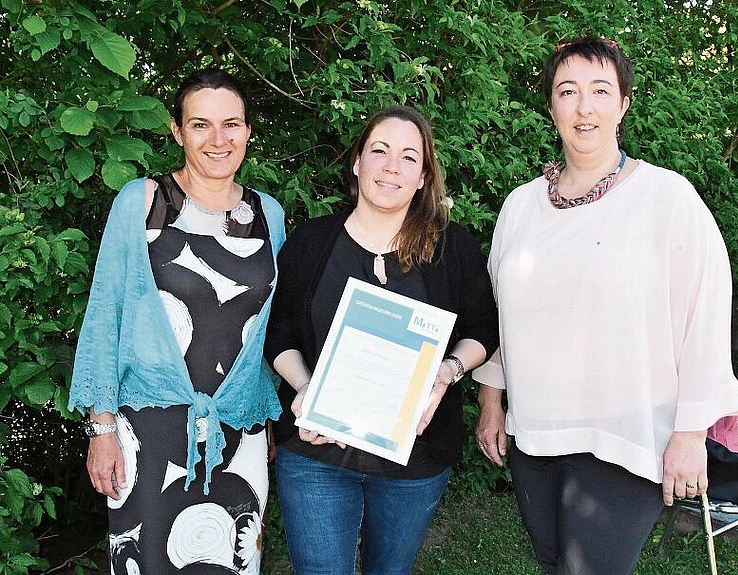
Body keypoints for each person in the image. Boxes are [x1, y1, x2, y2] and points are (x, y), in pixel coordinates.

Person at [473, 37, 738, 574]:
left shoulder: (668, 199)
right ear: (551, 107)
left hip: (627, 436)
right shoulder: (520, 207)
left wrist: (690, 433)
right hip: (537, 434)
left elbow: (705, 316)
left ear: (622, 104)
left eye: (600, 90)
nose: (584, 106)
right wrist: (490, 402)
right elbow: (502, 315)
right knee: (556, 566)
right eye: (567, 91)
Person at [264, 105, 499, 574]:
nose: (392, 166)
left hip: (414, 458)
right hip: (317, 450)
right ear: (357, 163)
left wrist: (446, 372)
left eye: (409, 157)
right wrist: (307, 388)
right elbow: (279, 332)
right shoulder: (311, 242)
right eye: (380, 151)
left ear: (423, 176)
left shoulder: (453, 248)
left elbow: (483, 329)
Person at [68, 68, 285, 574]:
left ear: (248, 131)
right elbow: (106, 314)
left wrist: (266, 415)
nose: (218, 139)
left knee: (231, 560)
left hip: (239, 430)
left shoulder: (268, 214)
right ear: (177, 131)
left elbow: (268, 326)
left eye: (231, 124)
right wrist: (100, 427)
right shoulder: (143, 202)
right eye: (201, 124)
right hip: (148, 429)